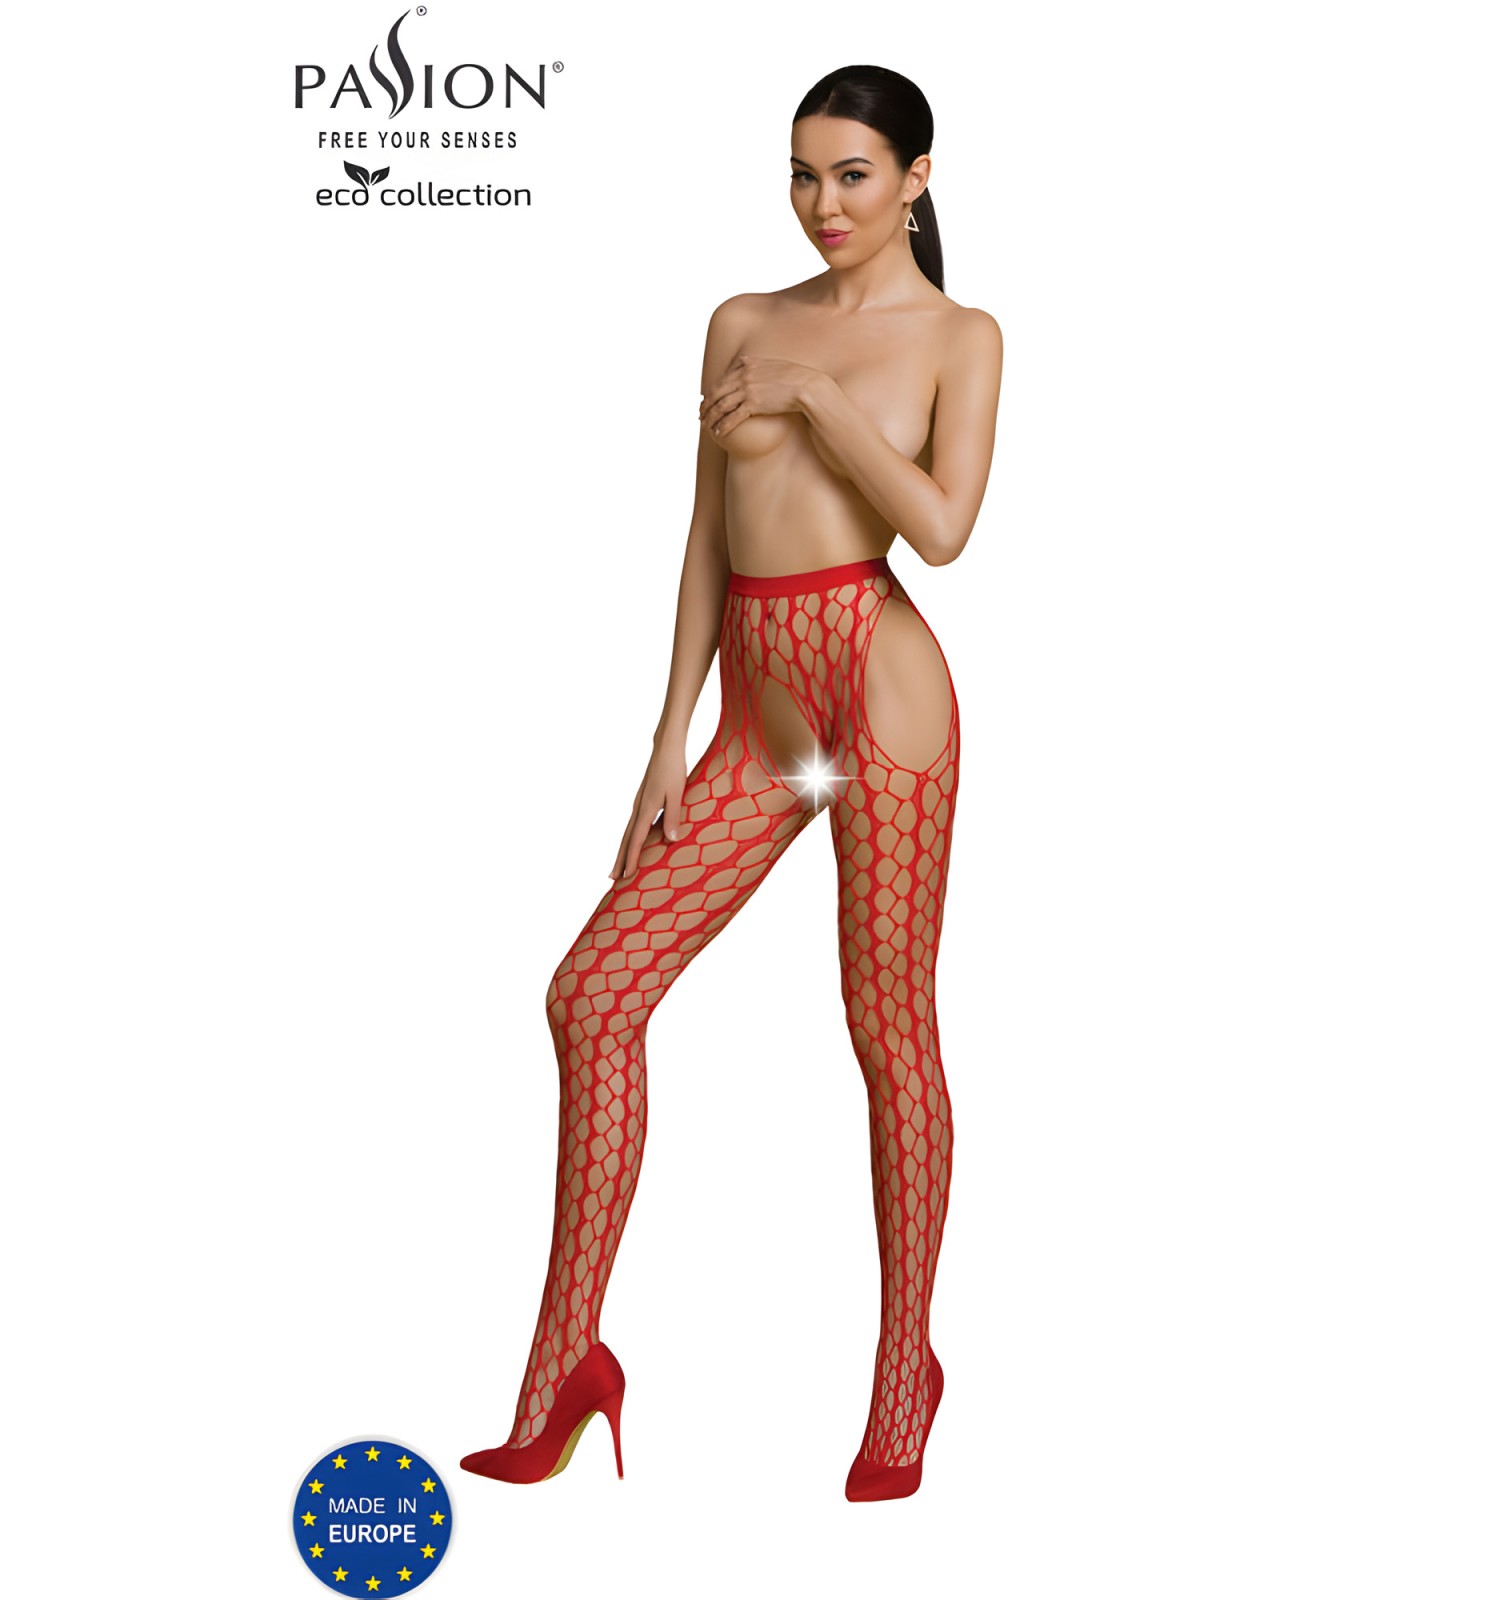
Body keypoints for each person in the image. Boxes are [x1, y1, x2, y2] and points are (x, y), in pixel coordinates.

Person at [460, 62, 1002, 1502]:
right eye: (804, 175)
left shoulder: (960, 337)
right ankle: (566, 1366)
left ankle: (904, 1370)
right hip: (762, 712)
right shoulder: (740, 321)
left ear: (918, 179)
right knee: (592, 995)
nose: (823, 203)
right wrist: (665, 738)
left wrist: (821, 397)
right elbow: (707, 528)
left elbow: (944, 530)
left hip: (881, 691)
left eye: (853, 176)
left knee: (885, 1026)